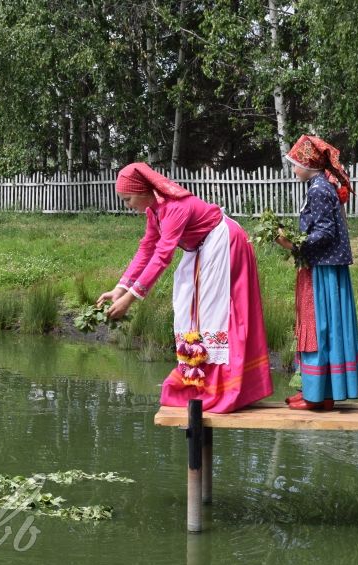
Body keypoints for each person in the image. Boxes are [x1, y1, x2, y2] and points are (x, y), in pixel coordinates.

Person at [97, 162, 273, 412]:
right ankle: (197, 380)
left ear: (142, 190)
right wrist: (120, 289)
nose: (127, 206)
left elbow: (162, 256)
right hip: (202, 247)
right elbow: (147, 248)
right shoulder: (155, 210)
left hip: (222, 242)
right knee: (187, 310)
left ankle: (220, 386)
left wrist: (131, 299)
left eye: (128, 199)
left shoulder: (174, 207)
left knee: (212, 313)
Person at [277, 135, 358, 410]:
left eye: (295, 164)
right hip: (319, 266)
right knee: (317, 327)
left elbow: (325, 232)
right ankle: (314, 390)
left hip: (323, 272)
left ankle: (319, 396)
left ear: (308, 163)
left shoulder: (318, 189)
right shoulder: (320, 185)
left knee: (319, 328)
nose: (292, 170)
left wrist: (292, 243)